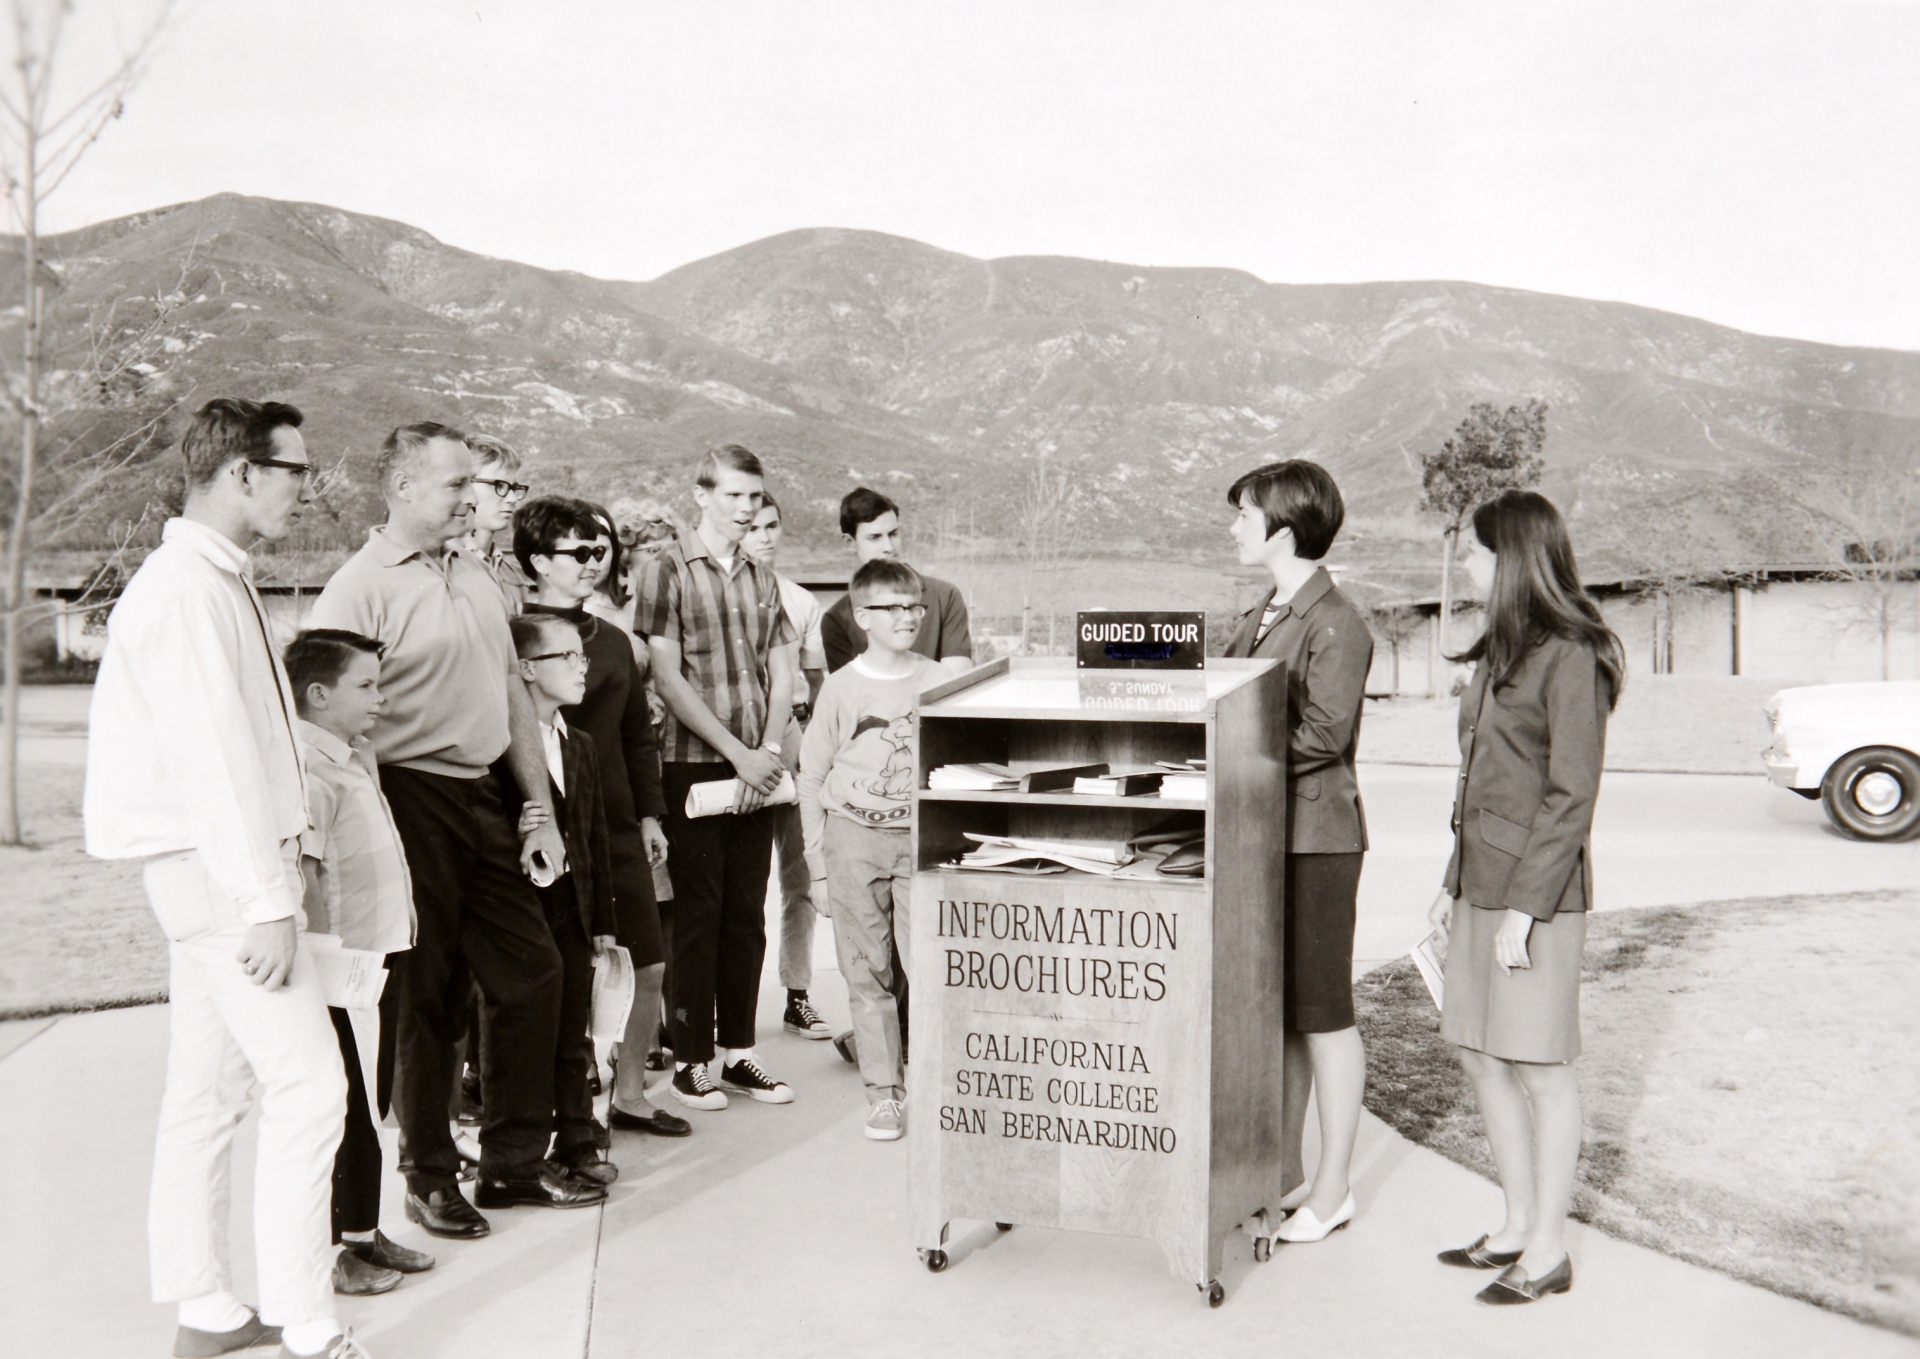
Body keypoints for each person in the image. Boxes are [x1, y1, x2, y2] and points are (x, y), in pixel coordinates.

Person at [84, 398, 367, 1359]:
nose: (305, 486)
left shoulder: (211, 579)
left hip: (215, 871)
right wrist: (270, 898)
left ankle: (204, 1304)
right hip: (219, 876)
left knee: (206, 1093)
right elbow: (214, 762)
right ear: (241, 472)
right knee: (311, 1086)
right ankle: (306, 1320)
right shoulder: (186, 589)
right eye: (294, 469)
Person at [310, 422, 602, 1241]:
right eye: (453, 486)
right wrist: (366, 824)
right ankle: (429, 1176)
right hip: (407, 796)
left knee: (534, 972)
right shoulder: (356, 588)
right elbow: (330, 721)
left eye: (474, 483)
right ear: (402, 488)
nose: (471, 499)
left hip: (484, 793)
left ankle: (512, 1161)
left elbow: (512, 692)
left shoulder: (476, 573)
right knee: (428, 994)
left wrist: (537, 807)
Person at [1427, 489, 1623, 1306]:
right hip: (1480, 882)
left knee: (1541, 1066)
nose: (1466, 566)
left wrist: (1525, 907)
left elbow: (1570, 793)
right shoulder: (1501, 648)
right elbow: (1479, 781)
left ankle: (1547, 1250)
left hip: (1534, 896)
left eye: (1473, 552)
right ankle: (1512, 1223)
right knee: (1479, 1051)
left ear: (1510, 558)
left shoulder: (1573, 652)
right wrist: (1450, 884)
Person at [1222, 459, 1373, 1245]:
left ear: (1283, 526)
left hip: (1315, 840)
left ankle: (1333, 1186)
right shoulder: (1261, 614)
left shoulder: (1337, 621)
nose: (1235, 527)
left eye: (1244, 514)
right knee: (1279, 1014)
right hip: (1262, 834)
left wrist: (1232, 738)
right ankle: (1277, 1173)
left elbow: (1322, 734)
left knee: (1322, 1012)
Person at [515, 496, 686, 1139]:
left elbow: (638, 738)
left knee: (649, 963)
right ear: (536, 562)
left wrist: (651, 816)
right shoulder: (516, 638)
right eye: (577, 552)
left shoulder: (613, 640)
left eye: (600, 551)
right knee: (566, 971)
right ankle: (570, 1102)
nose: (594, 563)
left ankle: (632, 1093)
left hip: (617, 827)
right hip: (555, 831)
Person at [634, 444, 797, 1111]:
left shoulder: (762, 578)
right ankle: (690, 1059)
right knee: (697, 916)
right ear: (701, 496)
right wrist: (737, 752)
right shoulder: (664, 571)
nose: (745, 509)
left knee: (745, 916)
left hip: (756, 768)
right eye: (731, 496)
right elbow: (667, 676)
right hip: (693, 767)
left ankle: (739, 1053)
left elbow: (784, 669)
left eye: (754, 497)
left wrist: (766, 748)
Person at [284, 629, 438, 1297]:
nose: (381, 697)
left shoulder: (348, 757)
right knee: (343, 1106)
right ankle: (333, 1250)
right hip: (342, 967)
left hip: (379, 956)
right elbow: (307, 877)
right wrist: (323, 969)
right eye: (366, 686)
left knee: (371, 1104)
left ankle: (362, 1230)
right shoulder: (309, 769)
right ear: (319, 694)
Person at [798, 559, 945, 1141]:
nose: (908, 617)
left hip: (919, 842)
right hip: (851, 842)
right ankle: (884, 1093)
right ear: (862, 616)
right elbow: (811, 776)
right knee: (867, 974)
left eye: (915, 606)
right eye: (893, 607)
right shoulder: (841, 687)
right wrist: (817, 870)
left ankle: (938, 1081)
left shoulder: (937, 680)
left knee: (928, 966)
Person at [499, 612, 622, 1187]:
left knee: (576, 1027)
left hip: (573, 907)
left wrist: (602, 920)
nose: (581, 669)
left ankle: (578, 1135)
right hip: (522, 907)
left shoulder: (581, 743)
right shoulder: (502, 746)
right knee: (532, 1028)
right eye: (565, 658)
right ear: (526, 668)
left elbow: (594, 836)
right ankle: (531, 1142)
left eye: (583, 658)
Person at [739, 492, 834, 1041]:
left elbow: (815, 679)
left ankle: (797, 994)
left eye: (773, 525)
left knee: (800, 875)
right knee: (745, 883)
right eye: (754, 527)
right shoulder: (714, 599)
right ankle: (734, 1006)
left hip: (796, 738)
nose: (765, 536)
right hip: (746, 742)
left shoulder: (798, 601)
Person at [819, 487, 973, 675]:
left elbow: (956, 681)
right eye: (875, 537)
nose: (888, 547)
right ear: (850, 542)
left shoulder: (945, 596)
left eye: (893, 534)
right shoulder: (836, 619)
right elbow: (850, 693)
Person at [459, 433, 532, 612]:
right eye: (500, 486)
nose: (513, 498)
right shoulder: (439, 568)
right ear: (464, 485)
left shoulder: (513, 576)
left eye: (514, 488)